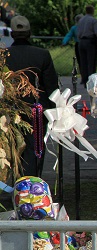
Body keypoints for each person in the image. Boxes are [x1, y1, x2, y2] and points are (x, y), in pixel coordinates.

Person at [6, 15, 59, 176]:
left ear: (12, 34)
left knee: (11, 147)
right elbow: (51, 86)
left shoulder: (4, 55)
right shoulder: (42, 54)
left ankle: (17, 182)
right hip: (36, 109)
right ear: (29, 34)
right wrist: (53, 111)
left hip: (9, 109)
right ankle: (32, 183)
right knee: (34, 148)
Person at [75, 5, 97, 86]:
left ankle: (84, 79)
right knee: (91, 62)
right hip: (90, 41)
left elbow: (78, 33)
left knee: (83, 62)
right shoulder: (93, 20)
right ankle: (91, 80)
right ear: (92, 11)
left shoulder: (81, 20)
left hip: (81, 42)